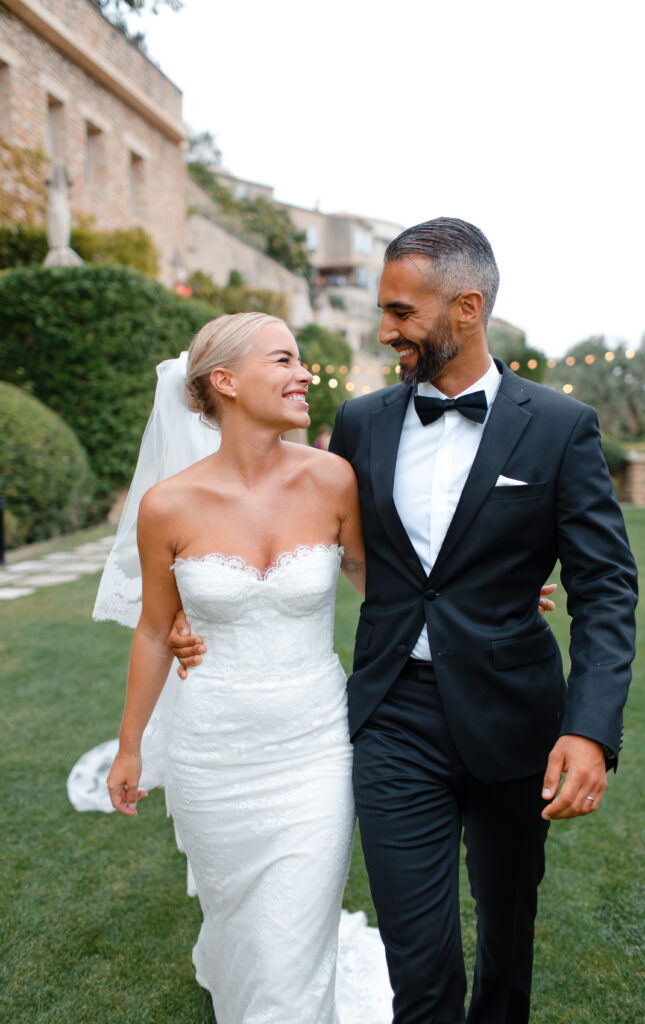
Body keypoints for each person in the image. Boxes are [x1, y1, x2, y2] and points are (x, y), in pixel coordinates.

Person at [169, 219, 638, 1024]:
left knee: (506, 931)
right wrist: (194, 612)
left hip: (512, 714)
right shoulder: (362, 422)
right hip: (392, 716)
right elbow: (326, 547)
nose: (384, 332)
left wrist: (590, 728)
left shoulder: (561, 426)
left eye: (398, 313)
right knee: (417, 958)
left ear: (465, 307)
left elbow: (603, 586)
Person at [105, 311, 371, 1024]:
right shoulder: (167, 505)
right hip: (210, 756)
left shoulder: (333, 480)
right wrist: (131, 746)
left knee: (289, 954)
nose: (305, 373)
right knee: (238, 924)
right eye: (283, 360)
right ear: (223, 381)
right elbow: (157, 631)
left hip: (314, 748)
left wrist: (491, 600)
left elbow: (394, 591)